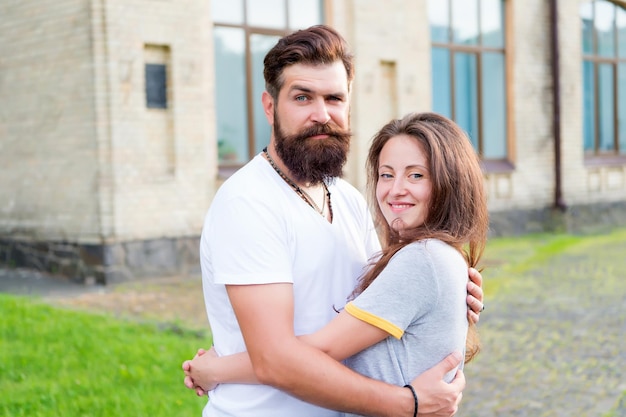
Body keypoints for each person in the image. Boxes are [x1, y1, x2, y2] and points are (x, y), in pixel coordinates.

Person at [184, 25, 485, 417]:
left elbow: (383, 306)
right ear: (270, 106)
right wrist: (407, 403)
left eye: (334, 98)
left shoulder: (348, 199)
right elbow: (275, 360)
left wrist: (444, 296)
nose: (321, 114)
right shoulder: (247, 203)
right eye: (302, 97)